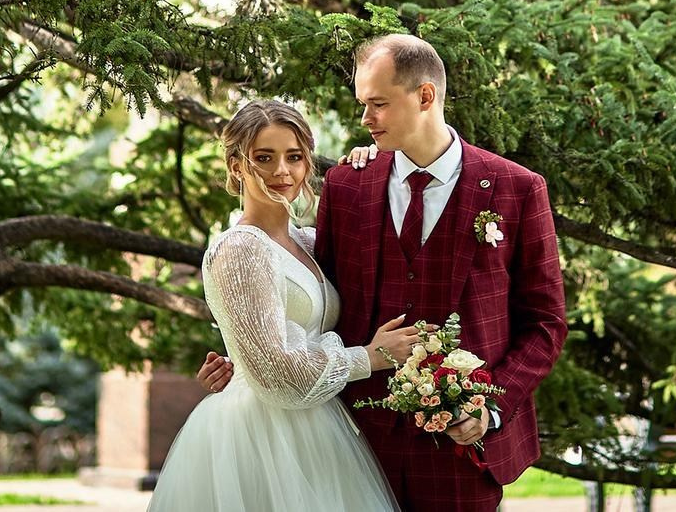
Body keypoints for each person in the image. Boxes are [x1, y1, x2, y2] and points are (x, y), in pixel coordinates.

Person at [199, 35, 568, 512]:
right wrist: (244, 364)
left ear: (425, 96)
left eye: (377, 103)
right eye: (362, 103)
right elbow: (311, 301)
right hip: (353, 444)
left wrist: (489, 405)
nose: (364, 118)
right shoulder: (347, 186)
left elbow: (545, 323)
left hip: (460, 452)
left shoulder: (517, 189)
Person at [148, 98, 421, 512]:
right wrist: (372, 357)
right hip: (259, 434)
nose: (282, 171)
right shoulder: (241, 248)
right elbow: (276, 370)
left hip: (318, 425)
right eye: (264, 157)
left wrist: (364, 165)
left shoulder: (306, 242)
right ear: (237, 166)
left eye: (294, 157)